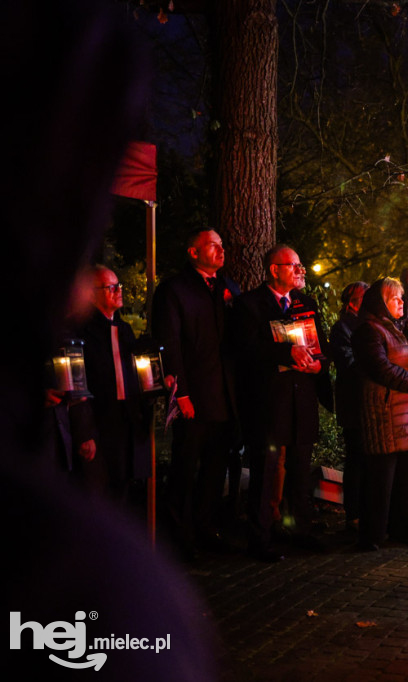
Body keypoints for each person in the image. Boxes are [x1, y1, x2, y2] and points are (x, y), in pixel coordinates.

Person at [4, 1, 216, 676]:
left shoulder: (127, 328)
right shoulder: (75, 577)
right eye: (103, 282)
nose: (114, 295)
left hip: (126, 426)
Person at [232, 245, 332, 561]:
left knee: (300, 467)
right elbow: (245, 349)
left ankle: (300, 529)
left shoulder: (307, 303)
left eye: (300, 265)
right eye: (293, 265)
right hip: (268, 400)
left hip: (302, 396)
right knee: (266, 469)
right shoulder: (249, 305)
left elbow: (321, 346)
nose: (299, 270)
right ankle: (260, 537)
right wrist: (285, 353)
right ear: (274, 270)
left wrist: (320, 364)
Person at [152, 228, 240, 558]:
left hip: (225, 394)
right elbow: (169, 343)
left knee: (216, 467)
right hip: (194, 393)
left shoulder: (228, 287)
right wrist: (182, 393)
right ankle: (178, 534)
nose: (221, 251)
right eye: (213, 246)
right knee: (185, 466)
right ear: (193, 252)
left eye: (222, 245)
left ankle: (206, 527)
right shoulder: (174, 290)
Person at [353, 277, 408, 550]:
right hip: (384, 413)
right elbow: (379, 366)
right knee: (382, 479)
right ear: (380, 303)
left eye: (402, 297)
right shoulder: (369, 330)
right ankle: (374, 534)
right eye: (395, 298)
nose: (402, 302)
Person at [75, 265, 151, 502]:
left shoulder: (124, 329)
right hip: (98, 421)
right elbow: (78, 383)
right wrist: (84, 431)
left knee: (121, 487)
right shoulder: (81, 331)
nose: (118, 291)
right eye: (111, 287)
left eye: (119, 286)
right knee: (96, 492)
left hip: (124, 420)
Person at [328, 281, 369, 531]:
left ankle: (365, 509)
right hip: (354, 402)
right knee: (356, 458)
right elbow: (347, 362)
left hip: (367, 402)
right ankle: (353, 513)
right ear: (351, 301)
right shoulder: (343, 327)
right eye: (363, 297)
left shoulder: (366, 325)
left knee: (367, 459)